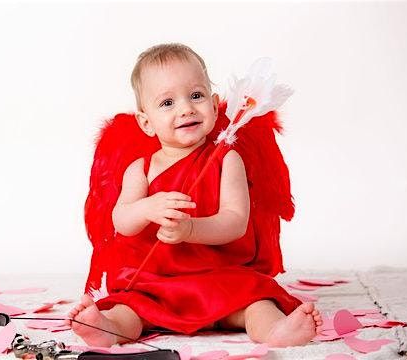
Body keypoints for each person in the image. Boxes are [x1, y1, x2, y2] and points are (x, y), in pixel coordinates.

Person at [69, 43, 322, 348]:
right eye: (167, 103)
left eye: (196, 96)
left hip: (219, 277)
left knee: (256, 302)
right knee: (130, 308)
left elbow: (235, 222)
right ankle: (108, 328)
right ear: (146, 122)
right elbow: (121, 220)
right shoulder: (141, 169)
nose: (186, 108)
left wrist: (190, 229)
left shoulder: (227, 160)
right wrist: (146, 208)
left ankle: (274, 330)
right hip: (155, 282)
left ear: (215, 106)